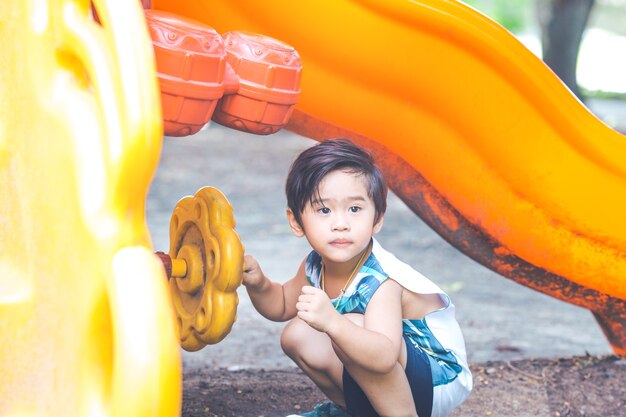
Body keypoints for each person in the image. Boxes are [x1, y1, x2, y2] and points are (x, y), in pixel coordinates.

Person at [243, 138, 472, 417]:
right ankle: (355, 410)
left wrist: (332, 322)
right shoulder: (316, 265)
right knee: (297, 334)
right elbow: (280, 304)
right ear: (296, 222)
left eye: (355, 209)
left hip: (437, 379)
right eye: (324, 210)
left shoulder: (382, 281)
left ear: (376, 219)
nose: (341, 224)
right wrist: (258, 283)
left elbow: (384, 355)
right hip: (396, 374)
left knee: (349, 327)